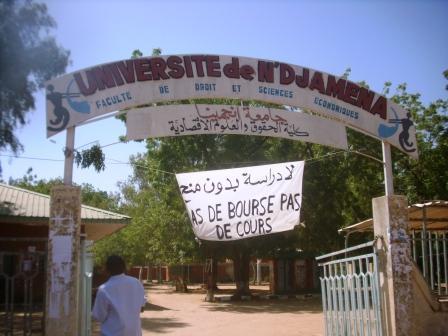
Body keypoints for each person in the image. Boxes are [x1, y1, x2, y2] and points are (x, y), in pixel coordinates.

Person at [92, 255, 146, 336]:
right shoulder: (136, 283)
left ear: (107, 269)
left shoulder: (104, 289)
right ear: (124, 268)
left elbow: (99, 316)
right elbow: (142, 308)